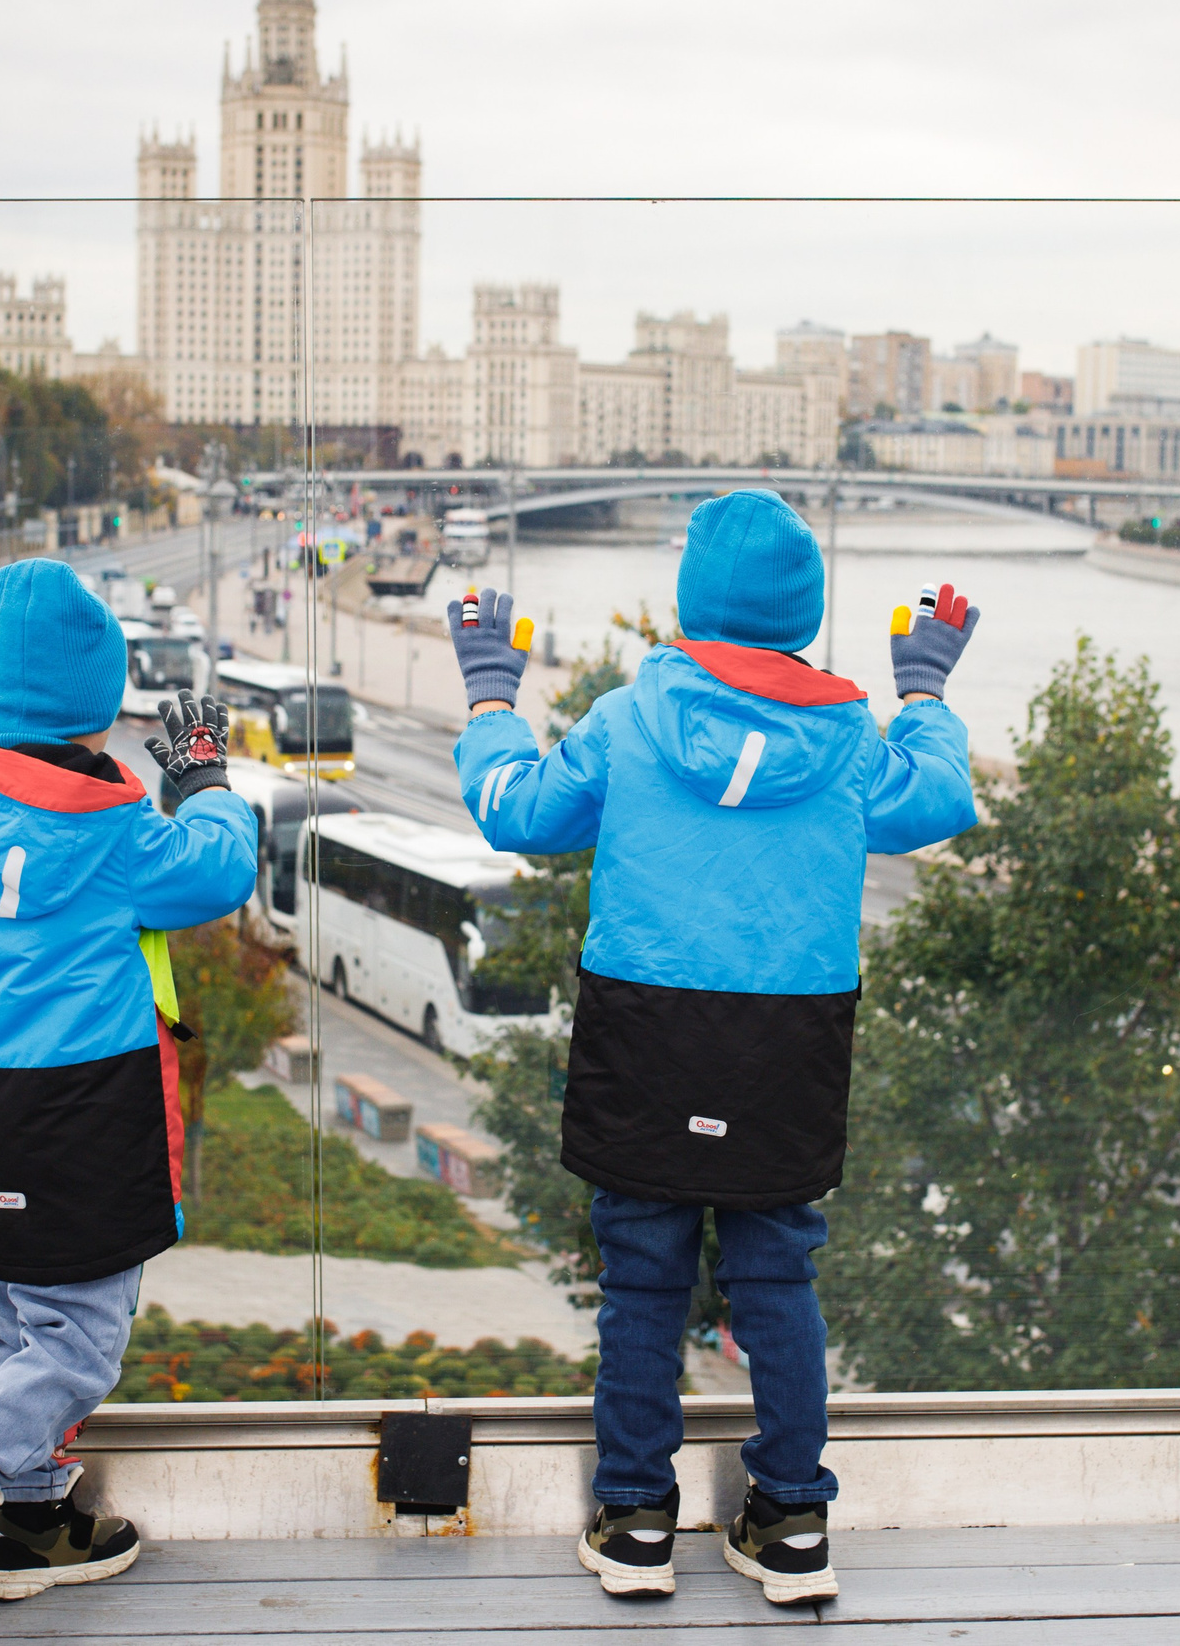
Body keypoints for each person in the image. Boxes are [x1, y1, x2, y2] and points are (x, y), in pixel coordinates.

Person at [448, 488, 980, 1605]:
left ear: (691, 604)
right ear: (805, 614)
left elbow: (515, 811)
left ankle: (636, 1515)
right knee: (777, 1278)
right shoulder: (850, 743)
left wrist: (493, 693)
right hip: (787, 1046)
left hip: (644, 1034)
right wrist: (924, 691)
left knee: (642, 1284)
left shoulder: (626, 719)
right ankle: (790, 1518)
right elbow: (937, 797)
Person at [0, 557, 257, 1631]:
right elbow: (218, 871)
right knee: (80, 1343)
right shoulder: (114, 832)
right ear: (98, 704)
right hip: (87, 1114)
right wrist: (204, 775)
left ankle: (30, 1523)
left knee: (24, 1321)